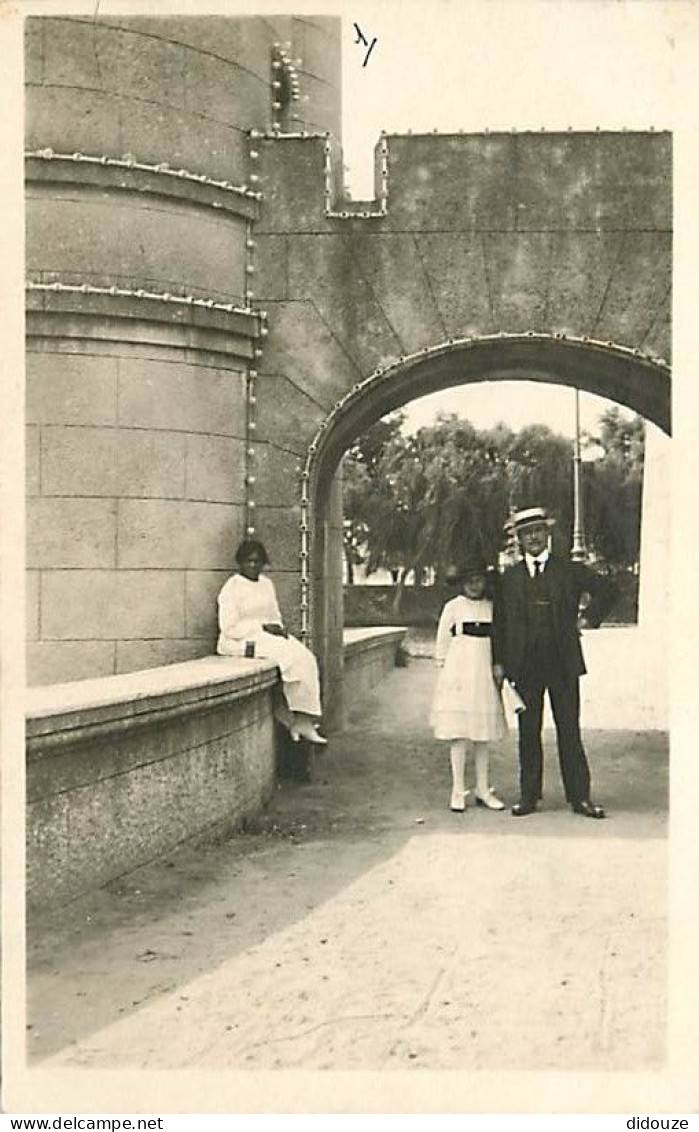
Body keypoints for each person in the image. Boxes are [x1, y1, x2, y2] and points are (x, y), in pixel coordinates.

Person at [491, 506, 617, 818]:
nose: (533, 537)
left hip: (562, 663)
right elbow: (500, 623)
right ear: (519, 540)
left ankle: (580, 798)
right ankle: (529, 797)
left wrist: (589, 618)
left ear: (547, 534)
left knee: (569, 730)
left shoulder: (569, 570)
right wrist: (499, 662)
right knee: (528, 731)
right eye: (526, 533)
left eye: (538, 531)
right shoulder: (510, 578)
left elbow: (608, 590)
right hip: (525, 665)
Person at [217, 539, 327, 745]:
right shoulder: (231, 588)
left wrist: (276, 627)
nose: (253, 566)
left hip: (265, 636)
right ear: (240, 563)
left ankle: (304, 719)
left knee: (305, 656)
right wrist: (261, 628)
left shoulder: (267, 584)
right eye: (248, 561)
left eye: (258, 562)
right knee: (288, 658)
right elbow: (228, 626)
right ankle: (290, 716)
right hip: (238, 641)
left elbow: (274, 615)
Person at [431, 557, 507, 813]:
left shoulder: (491, 607)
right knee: (460, 733)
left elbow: (498, 639)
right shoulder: (453, 607)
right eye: (469, 581)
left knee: (482, 733)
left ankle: (483, 789)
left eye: (479, 581)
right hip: (460, 671)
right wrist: (444, 668)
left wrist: (499, 665)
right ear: (461, 584)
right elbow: (443, 638)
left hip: (483, 670)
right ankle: (458, 789)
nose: (475, 586)